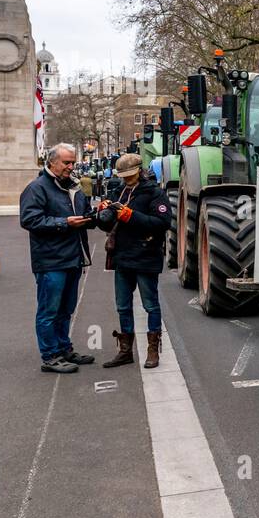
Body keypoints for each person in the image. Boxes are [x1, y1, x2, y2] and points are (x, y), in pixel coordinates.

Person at [20, 143, 96, 374]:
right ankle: (50, 356)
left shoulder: (73, 187)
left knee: (66, 309)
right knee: (49, 311)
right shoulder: (37, 188)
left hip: (72, 258)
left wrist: (96, 215)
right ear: (51, 162)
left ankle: (64, 348)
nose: (71, 167)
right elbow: (29, 220)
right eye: (66, 162)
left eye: (72, 162)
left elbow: (84, 216)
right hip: (51, 260)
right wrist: (64, 223)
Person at [95, 154, 170, 368]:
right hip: (122, 256)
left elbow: (162, 223)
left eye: (130, 175)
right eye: (124, 176)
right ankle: (125, 351)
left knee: (150, 306)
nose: (126, 179)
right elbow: (109, 227)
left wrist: (131, 216)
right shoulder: (119, 191)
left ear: (140, 170)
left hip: (145, 256)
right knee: (122, 306)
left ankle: (152, 351)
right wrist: (104, 214)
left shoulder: (155, 193)